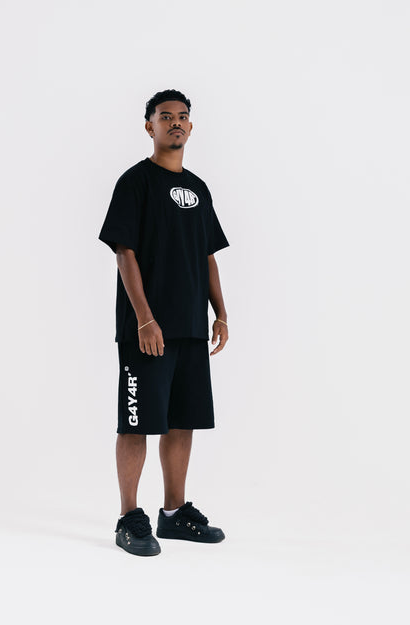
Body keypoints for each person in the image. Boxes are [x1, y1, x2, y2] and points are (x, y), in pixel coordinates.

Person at [98, 89, 230, 556]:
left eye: (182, 116)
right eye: (165, 116)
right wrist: (144, 319)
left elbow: (207, 254)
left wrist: (220, 311)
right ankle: (128, 517)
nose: (175, 122)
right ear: (149, 126)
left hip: (190, 326)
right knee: (136, 422)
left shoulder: (198, 188)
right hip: (147, 330)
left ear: (190, 127)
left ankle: (173, 514)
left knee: (182, 421)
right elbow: (124, 252)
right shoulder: (135, 182)